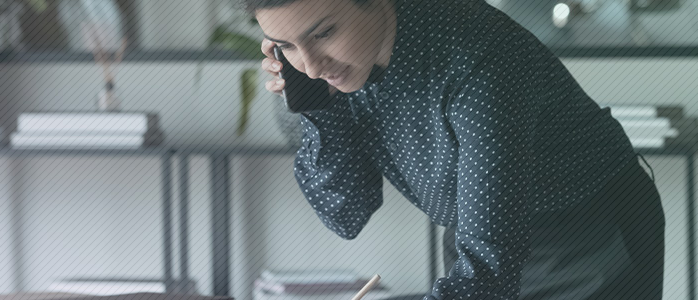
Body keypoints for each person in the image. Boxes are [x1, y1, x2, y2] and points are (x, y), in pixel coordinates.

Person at [244, 0, 665, 299]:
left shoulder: (477, 53)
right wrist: (317, 106)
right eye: (286, 45)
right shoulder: (326, 74)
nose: (312, 65)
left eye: (323, 32)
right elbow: (345, 212)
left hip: (591, 237)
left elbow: (490, 268)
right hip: (479, 237)